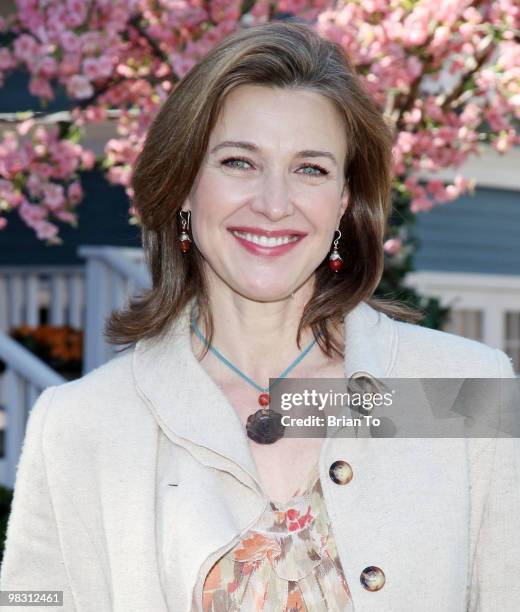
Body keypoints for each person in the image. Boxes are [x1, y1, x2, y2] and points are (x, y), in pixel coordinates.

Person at [1, 21, 519, 612]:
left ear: (344, 202)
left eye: (311, 169)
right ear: (184, 190)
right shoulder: (81, 425)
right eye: (239, 162)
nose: (274, 204)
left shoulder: (457, 395)